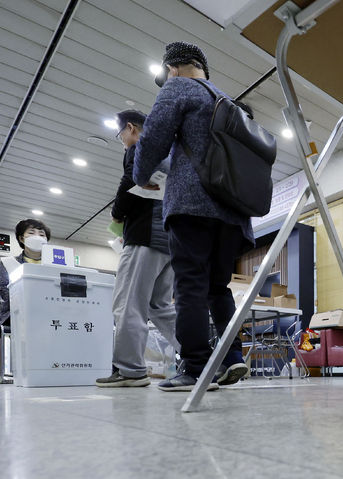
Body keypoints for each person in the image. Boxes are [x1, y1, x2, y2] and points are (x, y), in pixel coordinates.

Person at [134, 42, 254, 392]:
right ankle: (232, 359)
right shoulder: (227, 101)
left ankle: (196, 369)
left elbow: (153, 138)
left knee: (190, 286)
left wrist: (141, 176)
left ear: (173, 67)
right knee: (218, 289)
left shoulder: (178, 87)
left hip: (192, 205)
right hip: (232, 212)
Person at [95, 110, 180, 388]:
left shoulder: (139, 147)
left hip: (143, 237)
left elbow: (129, 181)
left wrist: (117, 212)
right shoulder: (170, 153)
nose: (121, 139)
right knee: (160, 307)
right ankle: (200, 357)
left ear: (130, 128)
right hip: (169, 240)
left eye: (120, 133)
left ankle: (130, 370)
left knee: (128, 305)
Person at [0, 219, 51, 326]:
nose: (37, 237)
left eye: (42, 234)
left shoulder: (54, 266)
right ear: (21, 238)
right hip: (17, 323)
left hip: (51, 323)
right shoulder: (7, 264)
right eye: (31, 233)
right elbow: (7, 297)